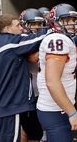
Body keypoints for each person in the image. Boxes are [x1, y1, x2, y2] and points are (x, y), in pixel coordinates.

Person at [0, 14, 52, 142]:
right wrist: (53, 27)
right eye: (17, 25)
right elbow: (38, 38)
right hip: (8, 106)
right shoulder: (11, 43)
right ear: (7, 29)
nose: (21, 28)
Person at [36, 3, 77, 142]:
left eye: (74, 20)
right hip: (55, 110)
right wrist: (72, 112)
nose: (72, 24)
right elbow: (52, 81)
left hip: (56, 107)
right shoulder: (58, 39)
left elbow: (73, 44)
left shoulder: (61, 38)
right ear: (54, 22)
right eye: (67, 20)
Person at [19, 8, 46, 142]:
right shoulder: (22, 40)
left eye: (39, 24)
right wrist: (45, 45)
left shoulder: (38, 38)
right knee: (33, 130)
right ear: (24, 24)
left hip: (40, 89)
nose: (37, 27)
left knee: (32, 128)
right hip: (29, 93)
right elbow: (31, 58)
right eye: (33, 24)